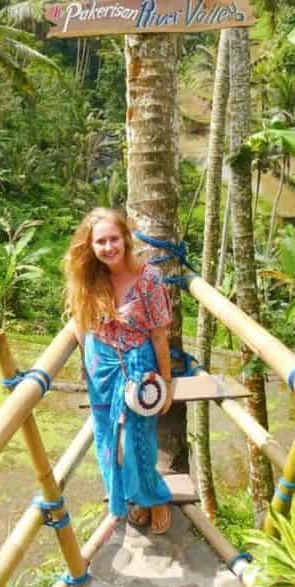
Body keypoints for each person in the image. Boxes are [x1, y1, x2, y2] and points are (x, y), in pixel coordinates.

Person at [62, 207, 174, 534]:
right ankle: (132, 499)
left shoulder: (148, 278)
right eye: (100, 242)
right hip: (102, 369)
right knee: (109, 442)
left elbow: (158, 334)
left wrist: (166, 383)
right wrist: (88, 365)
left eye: (114, 239)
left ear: (125, 239)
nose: (108, 247)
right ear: (90, 246)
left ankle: (155, 498)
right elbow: (82, 325)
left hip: (138, 370)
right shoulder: (88, 278)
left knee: (138, 441)